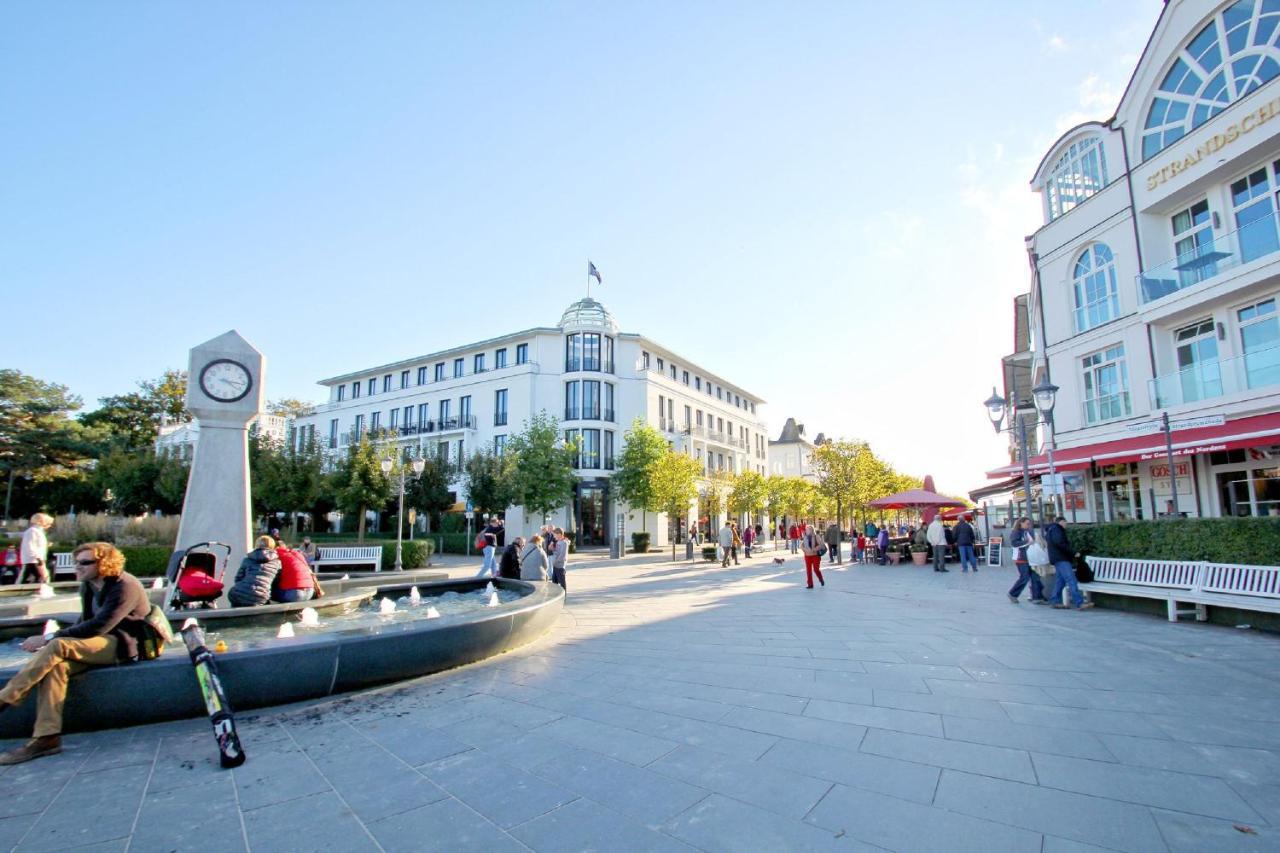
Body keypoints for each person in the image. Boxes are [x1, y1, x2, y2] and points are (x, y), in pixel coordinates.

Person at [0, 541, 160, 765]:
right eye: (77, 562)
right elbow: (84, 621)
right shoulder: (89, 585)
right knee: (56, 667)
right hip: (98, 644)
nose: (78, 567)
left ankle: (7, 697)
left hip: (125, 645)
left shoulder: (125, 585)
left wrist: (47, 638)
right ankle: (47, 738)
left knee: (57, 645)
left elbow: (100, 626)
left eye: (85, 562)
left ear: (104, 563)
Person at [1045, 516, 1093, 610]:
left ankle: (1054, 600)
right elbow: (1061, 543)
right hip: (1061, 558)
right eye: (1065, 522)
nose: (1066, 525)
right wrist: (1073, 552)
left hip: (1056, 558)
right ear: (1061, 522)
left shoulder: (1051, 530)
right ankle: (1079, 603)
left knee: (1061, 580)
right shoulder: (1057, 530)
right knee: (1071, 579)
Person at [228, 536, 282, 607]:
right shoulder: (277, 562)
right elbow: (276, 581)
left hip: (238, 593)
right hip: (260, 597)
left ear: (256, 545)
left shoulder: (248, 559)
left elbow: (238, 578)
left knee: (235, 599)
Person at [1007, 517, 1048, 604]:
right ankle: (1013, 593)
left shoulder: (1027, 532)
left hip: (1029, 558)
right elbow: (1014, 543)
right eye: (1027, 523)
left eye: (1029, 524)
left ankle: (1037, 597)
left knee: (1035, 577)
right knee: (1025, 577)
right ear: (1021, 523)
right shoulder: (1016, 532)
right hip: (1021, 558)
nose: (1028, 525)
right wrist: (1027, 542)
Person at [19, 513, 53, 585]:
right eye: (48, 523)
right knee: (42, 577)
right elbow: (30, 546)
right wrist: (38, 558)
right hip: (33, 560)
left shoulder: (38, 531)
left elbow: (36, 545)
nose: (50, 525)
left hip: (36, 559)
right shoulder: (33, 531)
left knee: (41, 577)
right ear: (42, 522)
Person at [551, 527, 569, 591]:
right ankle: (556, 595)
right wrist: (553, 549)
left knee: (562, 583)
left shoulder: (564, 543)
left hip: (560, 566)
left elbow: (562, 555)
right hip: (555, 565)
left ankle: (564, 596)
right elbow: (557, 552)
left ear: (559, 534)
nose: (554, 536)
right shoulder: (558, 542)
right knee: (554, 582)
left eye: (554, 534)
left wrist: (555, 561)